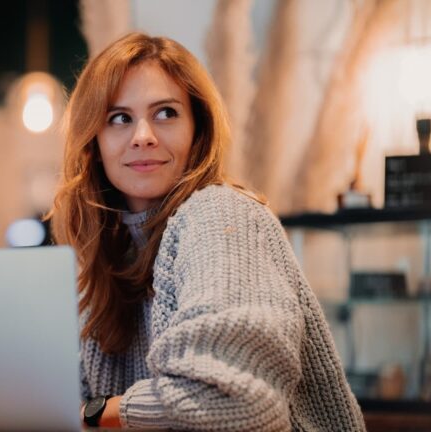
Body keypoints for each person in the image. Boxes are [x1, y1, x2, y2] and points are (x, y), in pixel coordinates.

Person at [48, 33, 366, 431]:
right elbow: (64, 399)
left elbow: (232, 402)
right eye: (119, 118)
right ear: (93, 142)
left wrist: (98, 413)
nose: (143, 135)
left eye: (165, 113)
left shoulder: (220, 214)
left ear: (198, 129)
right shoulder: (106, 256)